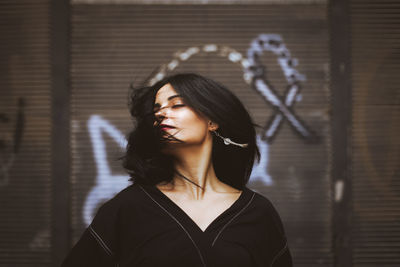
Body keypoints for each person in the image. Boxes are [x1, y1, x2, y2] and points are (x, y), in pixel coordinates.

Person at [61, 73, 292, 267]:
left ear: (212, 121)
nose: (161, 113)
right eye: (157, 109)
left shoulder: (258, 212)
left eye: (177, 104)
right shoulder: (128, 208)